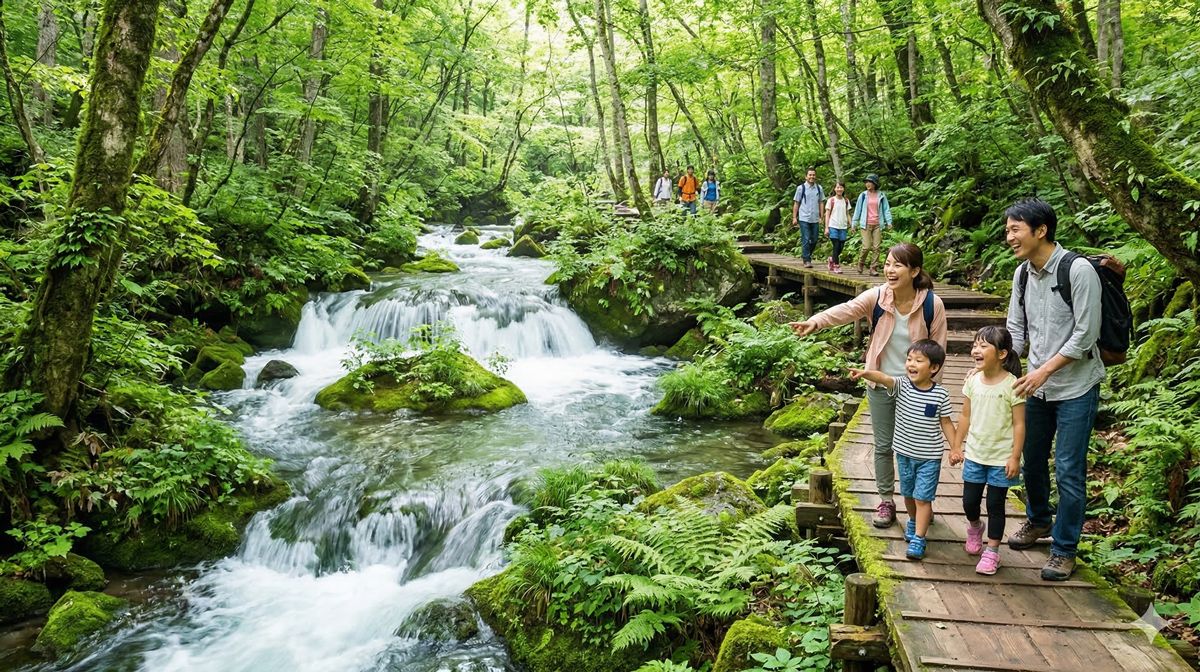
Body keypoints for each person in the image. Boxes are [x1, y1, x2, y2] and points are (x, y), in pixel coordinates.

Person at [790, 243, 948, 529]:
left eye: (897, 265)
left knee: (920, 449)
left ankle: (921, 504)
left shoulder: (931, 304)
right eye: (887, 264)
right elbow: (847, 310)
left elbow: (939, 350)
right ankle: (886, 500)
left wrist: (932, 390)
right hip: (881, 382)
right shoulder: (878, 297)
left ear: (914, 271)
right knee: (884, 446)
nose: (890, 270)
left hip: (917, 388)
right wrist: (816, 321)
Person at [1002, 197, 1104, 581]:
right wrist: (998, 367)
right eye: (1007, 230)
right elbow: (1016, 330)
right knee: (1031, 458)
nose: (1009, 237)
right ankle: (1039, 520)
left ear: (1040, 230)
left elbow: (1085, 335)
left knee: (1068, 470)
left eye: (1015, 229)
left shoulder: (1077, 270)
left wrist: (1044, 371)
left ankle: (1064, 548)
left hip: (1076, 386)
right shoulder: (1022, 274)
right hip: (1036, 387)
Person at [850, 339, 957, 561]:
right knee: (908, 494)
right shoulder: (902, 385)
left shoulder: (940, 394)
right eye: (909, 359)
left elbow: (946, 422)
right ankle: (913, 520)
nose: (911, 364)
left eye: (918, 361)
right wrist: (865, 373)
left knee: (922, 498)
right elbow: (884, 378)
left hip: (929, 457)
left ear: (934, 368)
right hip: (904, 454)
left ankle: (919, 537)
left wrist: (955, 447)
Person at [948, 326, 1026, 575]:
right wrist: (956, 445)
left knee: (995, 504)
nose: (976, 350)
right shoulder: (972, 381)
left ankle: (992, 551)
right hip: (975, 454)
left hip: (1002, 458)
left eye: (983, 346)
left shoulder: (1013, 385)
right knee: (969, 502)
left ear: (1002, 354)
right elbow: (965, 415)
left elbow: (1019, 424)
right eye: (975, 345)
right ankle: (975, 527)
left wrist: (1015, 457)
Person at [852, 174, 892, 275]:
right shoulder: (863, 195)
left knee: (876, 247)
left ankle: (873, 268)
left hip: (878, 224)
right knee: (866, 246)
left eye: (870, 182)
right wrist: (854, 223)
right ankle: (861, 263)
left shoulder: (881, 195)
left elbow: (886, 209)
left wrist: (889, 222)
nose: (867, 184)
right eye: (866, 182)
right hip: (865, 224)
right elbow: (857, 210)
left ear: (875, 183)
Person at [791, 167, 824, 268]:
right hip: (804, 217)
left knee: (814, 239)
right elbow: (796, 203)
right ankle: (806, 260)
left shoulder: (819, 188)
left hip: (815, 218)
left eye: (813, 175)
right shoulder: (801, 188)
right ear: (806, 176)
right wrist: (794, 217)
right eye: (810, 175)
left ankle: (806, 255)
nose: (812, 177)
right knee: (806, 238)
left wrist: (821, 216)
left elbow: (821, 202)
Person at [824, 181, 852, 273]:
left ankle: (832, 259)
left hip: (843, 227)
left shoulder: (846, 201)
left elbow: (847, 214)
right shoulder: (831, 200)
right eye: (837, 187)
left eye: (841, 187)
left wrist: (851, 225)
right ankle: (836, 265)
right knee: (836, 245)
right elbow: (827, 214)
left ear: (843, 189)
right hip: (833, 226)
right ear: (834, 189)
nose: (839, 189)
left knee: (841, 246)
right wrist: (826, 228)